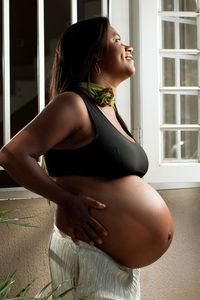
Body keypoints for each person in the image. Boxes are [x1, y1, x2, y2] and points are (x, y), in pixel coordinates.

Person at [0, 17, 174, 300]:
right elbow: (11, 155)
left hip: (114, 260)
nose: (128, 47)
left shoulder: (107, 108)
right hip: (90, 253)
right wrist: (67, 200)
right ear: (93, 54)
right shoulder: (72, 104)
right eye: (116, 40)